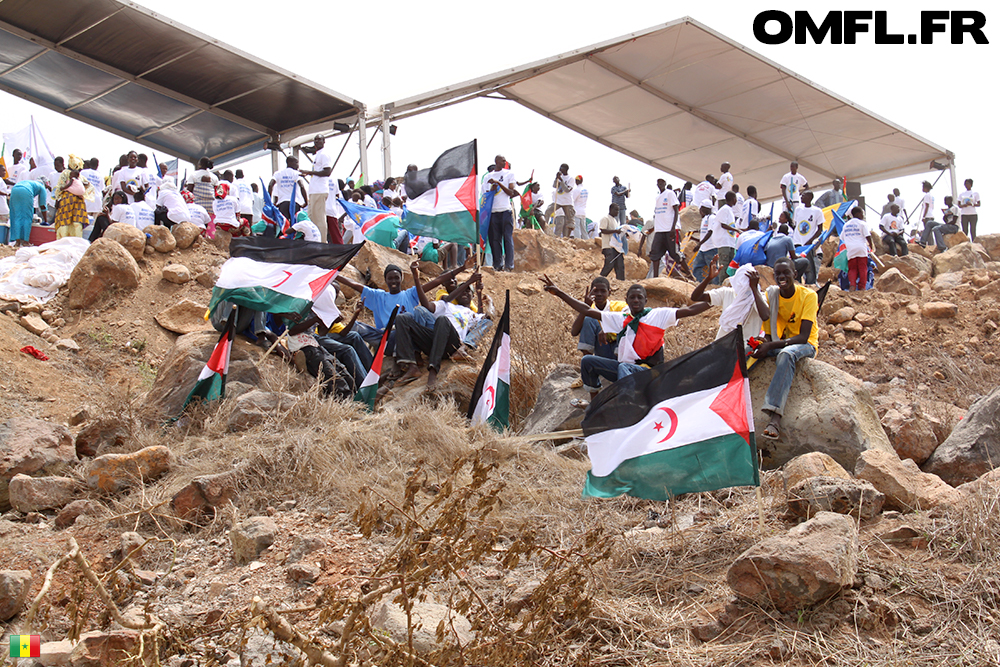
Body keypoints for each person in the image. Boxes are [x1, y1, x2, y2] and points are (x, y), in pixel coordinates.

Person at [539, 275, 709, 403]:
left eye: (639, 297)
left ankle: (627, 407)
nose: (636, 300)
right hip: (625, 369)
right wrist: (559, 293)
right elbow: (588, 311)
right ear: (626, 300)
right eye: (632, 297)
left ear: (645, 300)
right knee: (588, 362)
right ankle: (596, 404)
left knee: (624, 369)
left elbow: (690, 311)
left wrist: (716, 299)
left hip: (648, 373)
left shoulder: (658, 315)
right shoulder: (622, 318)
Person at [334, 258, 474, 351]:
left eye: (397, 277)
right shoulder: (378, 296)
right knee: (356, 327)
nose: (394, 281)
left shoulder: (410, 294)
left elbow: (437, 281)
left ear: (401, 279)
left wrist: (462, 268)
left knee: (411, 318)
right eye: (390, 278)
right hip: (386, 339)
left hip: (408, 338)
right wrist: (333, 275)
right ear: (385, 280)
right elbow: (354, 284)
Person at [750, 256, 819, 440]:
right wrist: (762, 344)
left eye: (786, 272)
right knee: (750, 349)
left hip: (804, 345)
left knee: (786, 355)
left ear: (795, 274)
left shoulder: (808, 296)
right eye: (778, 273)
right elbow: (770, 334)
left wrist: (771, 345)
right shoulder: (772, 296)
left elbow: (804, 336)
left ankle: (775, 417)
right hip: (780, 342)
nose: (782, 276)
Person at [394, 261, 485, 391]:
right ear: (456, 294)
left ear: (473, 295)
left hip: (452, 345)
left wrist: (481, 295)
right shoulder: (447, 304)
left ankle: (433, 371)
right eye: (462, 290)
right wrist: (415, 277)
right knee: (402, 318)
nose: (464, 293)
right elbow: (426, 305)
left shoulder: (471, 313)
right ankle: (411, 366)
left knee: (442, 320)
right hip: (435, 342)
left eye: (468, 291)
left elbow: (485, 319)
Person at [691, 256, 769, 341]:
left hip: (746, 347)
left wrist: (754, 289)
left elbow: (765, 316)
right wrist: (708, 278)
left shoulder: (757, 298)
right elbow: (696, 297)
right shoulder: (727, 293)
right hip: (723, 344)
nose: (744, 286)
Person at [572, 276, 627, 359]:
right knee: (588, 319)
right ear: (590, 293)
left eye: (603, 291)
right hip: (602, 349)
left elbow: (631, 321)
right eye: (595, 291)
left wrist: (607, 328)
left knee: (624, 319)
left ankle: (620, 362)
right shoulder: (590, 309)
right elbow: (574, 332)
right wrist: (585, 307)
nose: (599, 294)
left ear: (609, 292)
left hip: (619, 349)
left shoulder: (620, 307)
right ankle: (588, 361)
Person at [647, 177, 691, 279]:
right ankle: (655, 277)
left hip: (670, 229)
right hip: (660, 230)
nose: (660, 184)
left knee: (675, 253)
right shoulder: (658, 198)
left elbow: (676, 210)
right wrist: (654, 228)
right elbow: (659, 215)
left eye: (662, 182)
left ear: (665, 183)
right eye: (659, 182)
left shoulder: (670, 194)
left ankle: (689, 273)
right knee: (655, 253)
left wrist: (673, 227)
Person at [483, 155, 518, 271]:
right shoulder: (487, 177)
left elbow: (511, 192)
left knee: (507, 238)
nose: (505, 162)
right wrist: (493, 188)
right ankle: (497, 265)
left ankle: (509, 265)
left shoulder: (509, 174)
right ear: (496, 162)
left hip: (505, 210)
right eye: (503, 160)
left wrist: (499, 183)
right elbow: (485, 195)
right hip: (493, 212)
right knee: (495, 240)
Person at [300, 135, 332, 242]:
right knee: (312, 217)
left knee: (319, 219)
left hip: (319, 190)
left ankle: (322, 242)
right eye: (316, 140)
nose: (317, 141)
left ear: (324, 141)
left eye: (320, 140)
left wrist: (310, 172)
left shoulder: (324, 154)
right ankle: (315, 240)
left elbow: (327, 172)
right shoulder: (318, 155)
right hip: (314, 191)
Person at [791, 191, 824, 284]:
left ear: (810, 197)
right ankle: (797, 283)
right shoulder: (798, 209)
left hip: (808, 245)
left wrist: (810, 241)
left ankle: (811, 284)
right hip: (797, 242)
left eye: (804, 196)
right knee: (797, 265)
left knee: (809, 266)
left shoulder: (817, 211)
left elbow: (819, 230)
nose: (801, 197)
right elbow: (796, 225)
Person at [840, 206, 873, 291]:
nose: (862, 215)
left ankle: (852, 285)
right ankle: (862, 286)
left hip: (851, 249)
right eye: (862, 213)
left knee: (852, 268)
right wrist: (871, 247)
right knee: (862, 268)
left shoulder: (846, 225)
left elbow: (842, 237)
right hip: (861, 248)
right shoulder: (862, 223)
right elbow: (868, 236)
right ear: (858, 214)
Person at [52, 169, 89, 239]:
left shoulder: (67, 177)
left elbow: (60, 189)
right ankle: (76, 242)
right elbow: (88, 186)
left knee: (64, 222)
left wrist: (62, 189)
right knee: (77, 223)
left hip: (67, 201)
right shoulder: (81, 180)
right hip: (79, 202)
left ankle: (63, 241)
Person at [268, 156, 307, 222]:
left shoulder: (278, 173)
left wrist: (269, 200)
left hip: (283, 203)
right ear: (289, 162)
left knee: (284, 225)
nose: (298, 165)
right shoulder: (297, 173)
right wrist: (306, 201)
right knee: (295, 226)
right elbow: (302, 186)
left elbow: (270, 185)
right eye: (296, 162)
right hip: (295, 203)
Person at [9, 179, 46, 246]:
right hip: (26, 191)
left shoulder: (30, 182)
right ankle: (26, 241)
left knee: (18, 216)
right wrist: (46, 220)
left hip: (14, 189)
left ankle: (17, 241)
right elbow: (43, 205)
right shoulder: (42, 187)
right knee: (27, 218)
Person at [713, 191, 740, 276]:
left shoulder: (730, 210)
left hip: (730, 243)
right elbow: (723, 225)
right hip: (724, 242)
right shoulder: (724, 209)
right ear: (733, 199)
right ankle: (722, 283)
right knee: (723, 265)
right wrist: (736, 230)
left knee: (729, 266)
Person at [691, 204, 719, 282]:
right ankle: (698, 283)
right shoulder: (704, 219)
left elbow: (710, 232)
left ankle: (716, 286)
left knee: (713, 268)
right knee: (697, 266)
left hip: (710, 248)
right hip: (703, 248)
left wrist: (699, 244)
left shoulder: (712, 217)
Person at [598, 203, 625, 280]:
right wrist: (615, 231)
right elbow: (603, 230)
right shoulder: (605, 218)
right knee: (609, 265)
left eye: (618, 210)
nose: (617, 212)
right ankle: (600, 280)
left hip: (616, 247)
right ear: (610, 209)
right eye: (616, 210)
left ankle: (621, 282)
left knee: (620, 265)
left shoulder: (615, 221)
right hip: (608, 246)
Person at [552, 164, 576, 238]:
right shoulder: (559, 179)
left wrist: (561, 181)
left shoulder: (570, 179)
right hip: (559, 207)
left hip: (567, 203)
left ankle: (566, 238)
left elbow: (567, 190)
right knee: (559, 228)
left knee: (569, 223)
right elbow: (554, 185)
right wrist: (557, 178)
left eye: (561, 169)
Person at [916, 181, 938, 248]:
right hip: (931, 215)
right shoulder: (931, 195)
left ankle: (930, 245)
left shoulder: (927, 195)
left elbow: (927, 206)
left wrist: (924, 217)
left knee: (928, 231)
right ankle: (931, 244)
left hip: (928, 216)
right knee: (930, 231)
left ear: (926, 188)